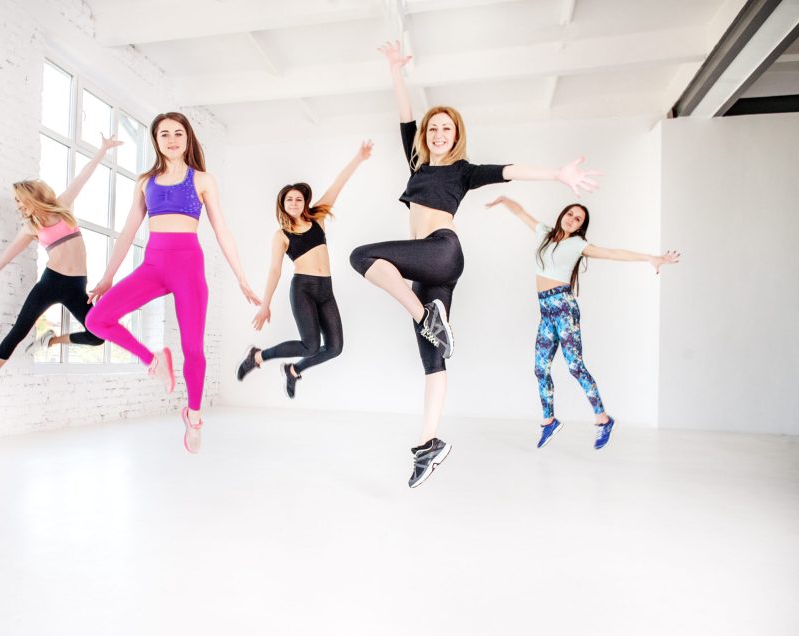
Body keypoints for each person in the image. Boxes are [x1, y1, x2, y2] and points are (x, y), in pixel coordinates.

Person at [350, 41, 601, 488]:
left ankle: (427, 317)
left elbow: (511, 170)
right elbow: (405, 113)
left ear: (456, 133)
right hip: (427, 271)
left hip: (443, 250)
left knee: (361, 256)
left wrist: (557, 174)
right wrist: (395, 71)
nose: (437, 134)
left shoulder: (464, 170)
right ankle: (429, 443)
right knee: (432, 360)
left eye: (445, 129)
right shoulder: (415, 160)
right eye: (433, 130)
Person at [85, 112, 260, 453]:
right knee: (96, 319)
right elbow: (127, 234)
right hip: (153, 266)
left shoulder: (203, 180)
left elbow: (222, 230)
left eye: (177, 133)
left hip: (188, 268)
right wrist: (107, 278)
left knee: (193, 348)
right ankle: (153, 360)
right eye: (164, 134)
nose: (171, 139)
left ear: (187, 137)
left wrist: (241, 277)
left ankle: (193, 416)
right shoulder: (144, 181)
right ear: (156, 140)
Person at [486, 195, 680, 449]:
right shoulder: (544, 233)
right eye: (570, 214)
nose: (572, 219)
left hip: (564, 308)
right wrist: (503, 200)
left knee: (575, 366)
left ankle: (603, 419)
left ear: (580, 227)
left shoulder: (578, 245)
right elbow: (521, 212)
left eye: (578, 219)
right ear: (563, 214)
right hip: (545, 311)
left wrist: (650, 258)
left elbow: (613, 254)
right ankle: (549, 422)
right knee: (540, 368)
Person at [0, 136, 120, 411]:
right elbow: (5, 257)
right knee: (19, 331)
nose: (18, 205)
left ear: (33, 196)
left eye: (20, 200)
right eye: (15, 201)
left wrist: (102, 151)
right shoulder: (30, 229)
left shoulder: (63, 206)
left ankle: (50, 340)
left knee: (97, 335)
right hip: (51, 282)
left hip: (76, 286)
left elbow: (83, 177)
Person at [236, 141, 373, 398]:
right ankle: (257, 356)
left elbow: (337, 185)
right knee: (310, 345)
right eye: (290, 199)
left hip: (326, 289)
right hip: (303, 289)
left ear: (305, 202)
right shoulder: (282, 234)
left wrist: (359, 158)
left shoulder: (317, 218)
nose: (295, 202)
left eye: (299, 198)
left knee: (334, 347)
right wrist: (265, 305)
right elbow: (274, 271)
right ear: (283, 204)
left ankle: (293, 371)